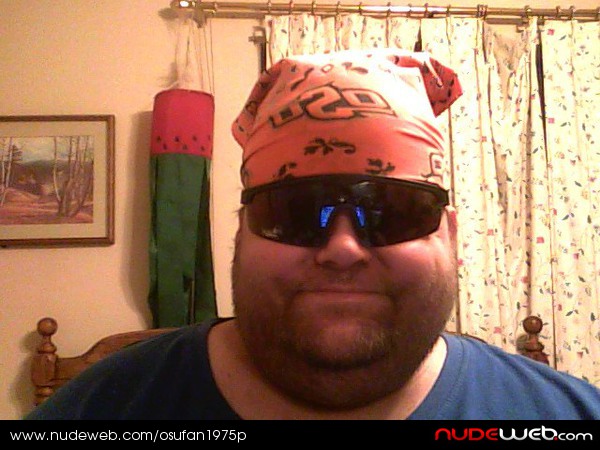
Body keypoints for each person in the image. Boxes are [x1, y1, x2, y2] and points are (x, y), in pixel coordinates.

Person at [25, 49, 600, 420]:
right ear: (241, 234)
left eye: (393, 210)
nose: (343, 249)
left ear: (449, 235)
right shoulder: (94, 412)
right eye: (295, 211)